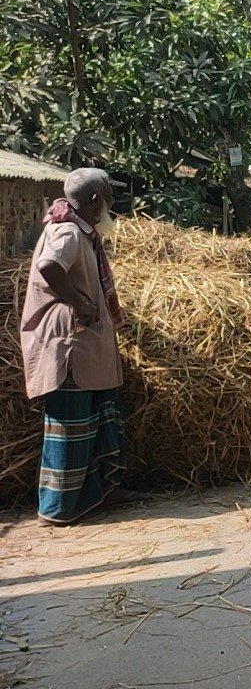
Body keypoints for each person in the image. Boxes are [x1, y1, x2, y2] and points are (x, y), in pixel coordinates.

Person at [20, 168, 130, 524]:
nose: (111, 204)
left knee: (93, 424)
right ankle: (56, 509)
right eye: (109, 196)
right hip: (70, 346)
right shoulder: (67, 231)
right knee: (70, 428)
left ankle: (95, 494)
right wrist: (81, 304)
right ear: (95, 201)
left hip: (85, 346)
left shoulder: (82, 232)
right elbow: (49, 266)